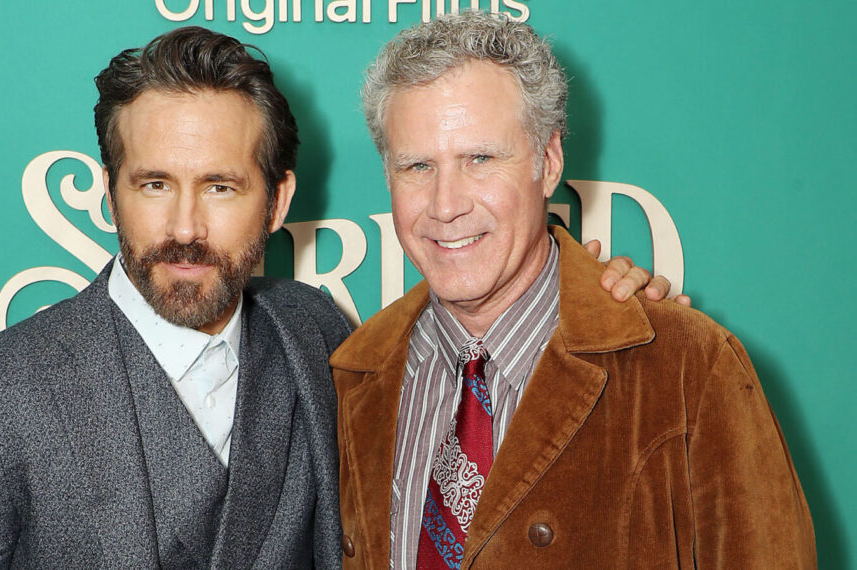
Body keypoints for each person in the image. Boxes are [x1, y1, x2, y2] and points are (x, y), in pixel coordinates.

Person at [0, 24, 673, 569]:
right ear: (108, 194)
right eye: (154, 184)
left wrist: (590, 293)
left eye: (222, 187)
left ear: (278, 198)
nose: (185, 227)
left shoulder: (321, 333)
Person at [330, 11, 816, 569]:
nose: (446, 205)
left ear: (549, 162)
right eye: (417, 166)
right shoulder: (349, 379)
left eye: (480, 159)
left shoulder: (690, 369)